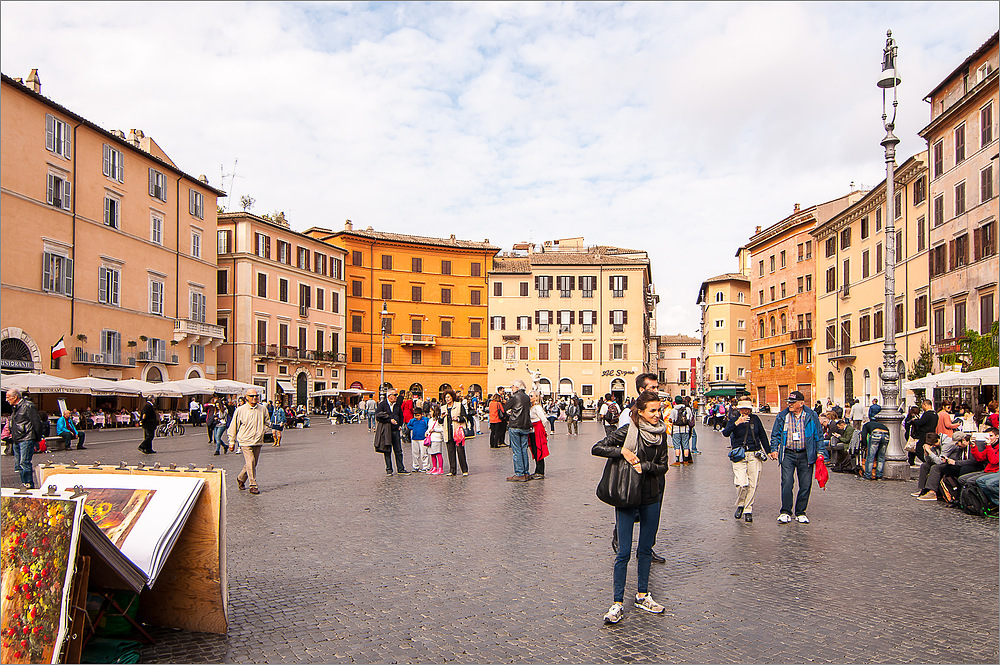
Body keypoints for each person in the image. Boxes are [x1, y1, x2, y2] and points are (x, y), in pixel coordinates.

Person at [592, 390, 670, 624]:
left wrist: (644, 466)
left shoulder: (661, 435)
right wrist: (623, 451)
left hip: (651, 496)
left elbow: (663, 466)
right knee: (623, 552)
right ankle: (616, 603)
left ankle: (643, 595)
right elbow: (597, 448)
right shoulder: (627, 431)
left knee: (645, 549)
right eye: (653, 411)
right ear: (641, 412)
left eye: (659, 410)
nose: (657, 415)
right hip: (627, 495)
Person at [769, 390, 825, 524]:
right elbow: (775, 434)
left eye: (793, 403)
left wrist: (820, 451)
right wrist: (774, 449)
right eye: (789, 402)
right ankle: (785, 511)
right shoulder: (783, 416)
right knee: (787, 483)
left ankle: (801, 512)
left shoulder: (811, 415)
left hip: (806, 454)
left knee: (805, 484)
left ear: (801, 403)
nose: (790, 405)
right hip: (788, 453)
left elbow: (819, 435)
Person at [722, 399, 769, 522]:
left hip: (754, 454)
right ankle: (740, 504)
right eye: (743, 409)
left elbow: (763, 436)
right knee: (741, 483)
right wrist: (736, 423)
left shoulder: (755, 419)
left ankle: (748, 509)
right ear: (739, 409)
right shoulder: (733, 419)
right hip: (739, 455)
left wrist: (769, 451)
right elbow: (725, 433)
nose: (745, 411)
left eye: (747, 409)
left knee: (753, 484)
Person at [227, 388, 272, 495]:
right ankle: (253, 485)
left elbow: (267, 422)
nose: (254, 398)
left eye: (256, 396)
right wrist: (231, 441)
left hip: (257, 440)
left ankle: (241, 478)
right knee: (250, 460)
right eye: (251, 396)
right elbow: (233, 426)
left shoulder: (262, 409)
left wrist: (263, 430)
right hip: (245, 440)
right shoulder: (240, 410)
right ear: (247, 397)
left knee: (252, 463)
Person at [7, 389, 43, 488]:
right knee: (19, 465)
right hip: (17, 438)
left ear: (15, 397)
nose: (6, 400)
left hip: (26, 437)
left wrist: (37, 438)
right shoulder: (16, 407)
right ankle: (24, 483)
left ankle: (28, 484)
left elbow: (36, 422)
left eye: (8, 397)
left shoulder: (27, 406)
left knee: (24, 463)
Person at [375, 389, 408, 475]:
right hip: (386, 430)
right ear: (389, 396)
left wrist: (400, 425)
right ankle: (389, 469)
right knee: (387, 450)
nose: (396, 397)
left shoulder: (397, 405)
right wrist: (389, 420)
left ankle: (400, 469)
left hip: (395, 430)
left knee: (398, 450)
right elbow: (378, 416)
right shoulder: (382, 404)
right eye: (395, 395)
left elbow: (401, 416)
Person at [505, 379, 533, 482]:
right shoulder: (527, 397)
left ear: (517, 387)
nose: (511, 388)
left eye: (512, 386)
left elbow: (505, 408)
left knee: (516, 451)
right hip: (525, 426)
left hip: (515, 425)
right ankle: (526, 472)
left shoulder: (514, 397)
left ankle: (519, 473)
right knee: (524, 450)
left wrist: (510, 411)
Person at [441, 389, 469, 476]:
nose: (447, 399)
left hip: (457, 432)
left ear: (452, 397)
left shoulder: (459, 405)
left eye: (448, 397)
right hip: (448, 432)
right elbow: (439, 421)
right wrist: (441, 417)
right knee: (450, 452)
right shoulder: (443, 407)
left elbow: (465, 418)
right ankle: (452, 470)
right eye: (446, 397)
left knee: (460, 451)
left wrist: (457, 419)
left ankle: (464, 470)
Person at [859, 416, 890, 480]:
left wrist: (864, 446)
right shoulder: (881, 425)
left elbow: (864, 436)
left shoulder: (867, 425)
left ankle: (868, 475)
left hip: (876, 434)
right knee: (881, 456)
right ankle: (879, 475)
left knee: (870, 456)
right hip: (886, 434)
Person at [528, 391, 550, 479]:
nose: (530, 397)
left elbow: (544, 419)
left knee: (539, 449)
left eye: (531, 396)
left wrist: (544, 430)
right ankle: (537, 470)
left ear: (536, 397)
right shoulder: (530, 407)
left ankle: (540, 471)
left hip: (537, 429)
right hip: (532, 430)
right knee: (534, 449)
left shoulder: (537, 407)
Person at [669, 396, 693, 466]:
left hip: (676, 429)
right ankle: (686, 460)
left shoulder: (674, 410)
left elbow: (671, 419)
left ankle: (677, 461)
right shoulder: (687, 409)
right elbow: (690, 417)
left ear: (675, 402)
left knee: (677, 446)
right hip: (685, 429)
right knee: (686, 445)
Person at [407, 407, 430, 473]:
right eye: (415, 415)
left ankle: (425, 466)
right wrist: (413, 428)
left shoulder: (425, 420)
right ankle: (415, 466)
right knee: (415, 453)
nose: (417, 417)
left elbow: (429, 426)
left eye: (418, 415)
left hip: (423, 439)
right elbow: (408, 425)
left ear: (422, 414)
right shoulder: (413, 421)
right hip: (414, 439)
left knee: (424, 453)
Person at [425, 405, 445, 474]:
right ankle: (434, 467)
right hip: (431, 439)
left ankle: (440, 468)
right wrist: (427, 432)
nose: (430, 413)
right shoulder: (430, 420)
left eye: (431, 411)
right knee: (432, 454)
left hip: (437, 438)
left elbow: (442, 429)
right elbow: (428, 428)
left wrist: (434, 430)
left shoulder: (439, 420)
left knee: (438, 453)